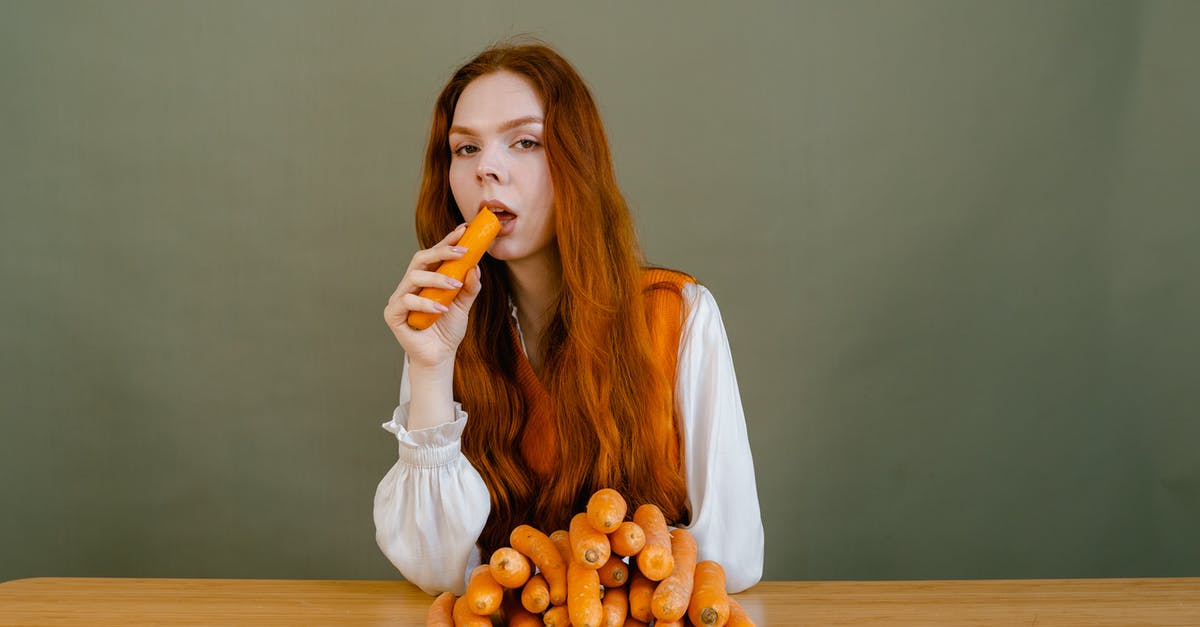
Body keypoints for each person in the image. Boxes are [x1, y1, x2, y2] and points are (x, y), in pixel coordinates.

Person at [374, 40, 763, 596]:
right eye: (465, 149)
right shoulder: (441, 326)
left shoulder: (679, 314)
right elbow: (437, 571)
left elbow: (735, 558)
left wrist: (584, 580)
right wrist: (430, 368)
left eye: (525, 141)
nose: (487, 168)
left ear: (575, 163)